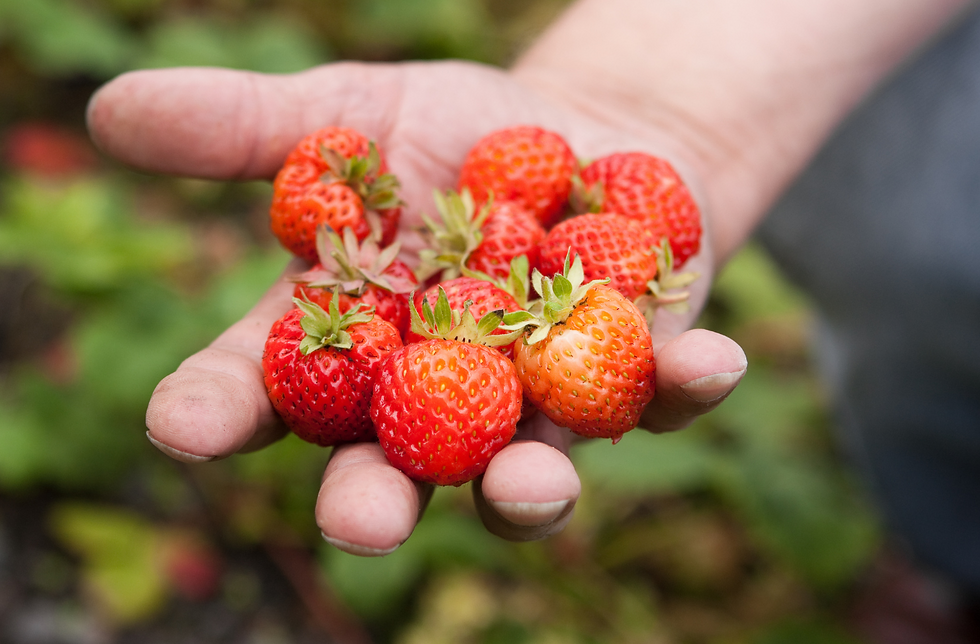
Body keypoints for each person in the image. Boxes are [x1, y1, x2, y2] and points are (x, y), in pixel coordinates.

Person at [86, 0, 978, 634]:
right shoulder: (443, 314)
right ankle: (946, 550)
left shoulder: (521, 293)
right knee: (907, 273)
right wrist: (654, 93)